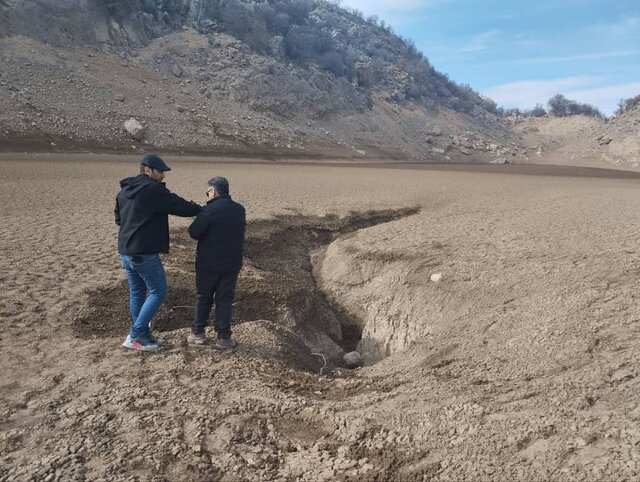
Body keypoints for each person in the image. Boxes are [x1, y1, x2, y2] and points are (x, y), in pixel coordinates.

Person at [115, 153, 201, 351]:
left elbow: (119, 219)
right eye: (160, 171)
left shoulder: (124, 191)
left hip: (125, 250)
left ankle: (142, 335)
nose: (163, 175)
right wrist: (199, 209)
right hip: (143, 252)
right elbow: (177, 205)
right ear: (148, 170)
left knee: (137, 292)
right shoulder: (151, 190)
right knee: (158, 291)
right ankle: (136, 336)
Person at [187, 176, 246, 349]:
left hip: (208, 264)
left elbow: (194, 232)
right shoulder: (239, 209)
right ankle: (224, 337)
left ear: (213, 191)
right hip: (231, 264)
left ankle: (198, 332)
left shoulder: (209, 211)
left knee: (204, 297)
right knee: (225, 300)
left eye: (208, 191)